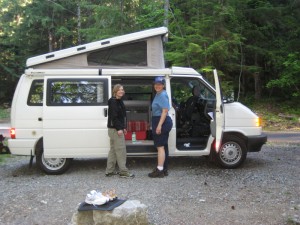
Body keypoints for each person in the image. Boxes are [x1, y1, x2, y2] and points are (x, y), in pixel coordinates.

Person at [106, 84, 134, 178]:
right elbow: (114, 117)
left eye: (122, 89)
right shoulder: (113, 102)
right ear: (115, 91)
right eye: (119, 90)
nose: (121, 91)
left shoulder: (119, 101)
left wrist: (124, 127)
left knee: (113, 150)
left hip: (114, 129)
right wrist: (119, 128)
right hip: (115, 129)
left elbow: (122, 116)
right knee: (121, 150)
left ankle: (109, 171)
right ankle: (123, 172)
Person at [148, 77, 173, 178]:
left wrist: (159, 126)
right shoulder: (158, 94)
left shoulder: (162, 95)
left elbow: (165, 111)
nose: (157, 86)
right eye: (155, 84)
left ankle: (160, 170)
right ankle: (164, 169)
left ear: (163, 85)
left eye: (159, 84)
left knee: (160, 147)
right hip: (158, 120)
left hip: (161, 121)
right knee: (164, 147)